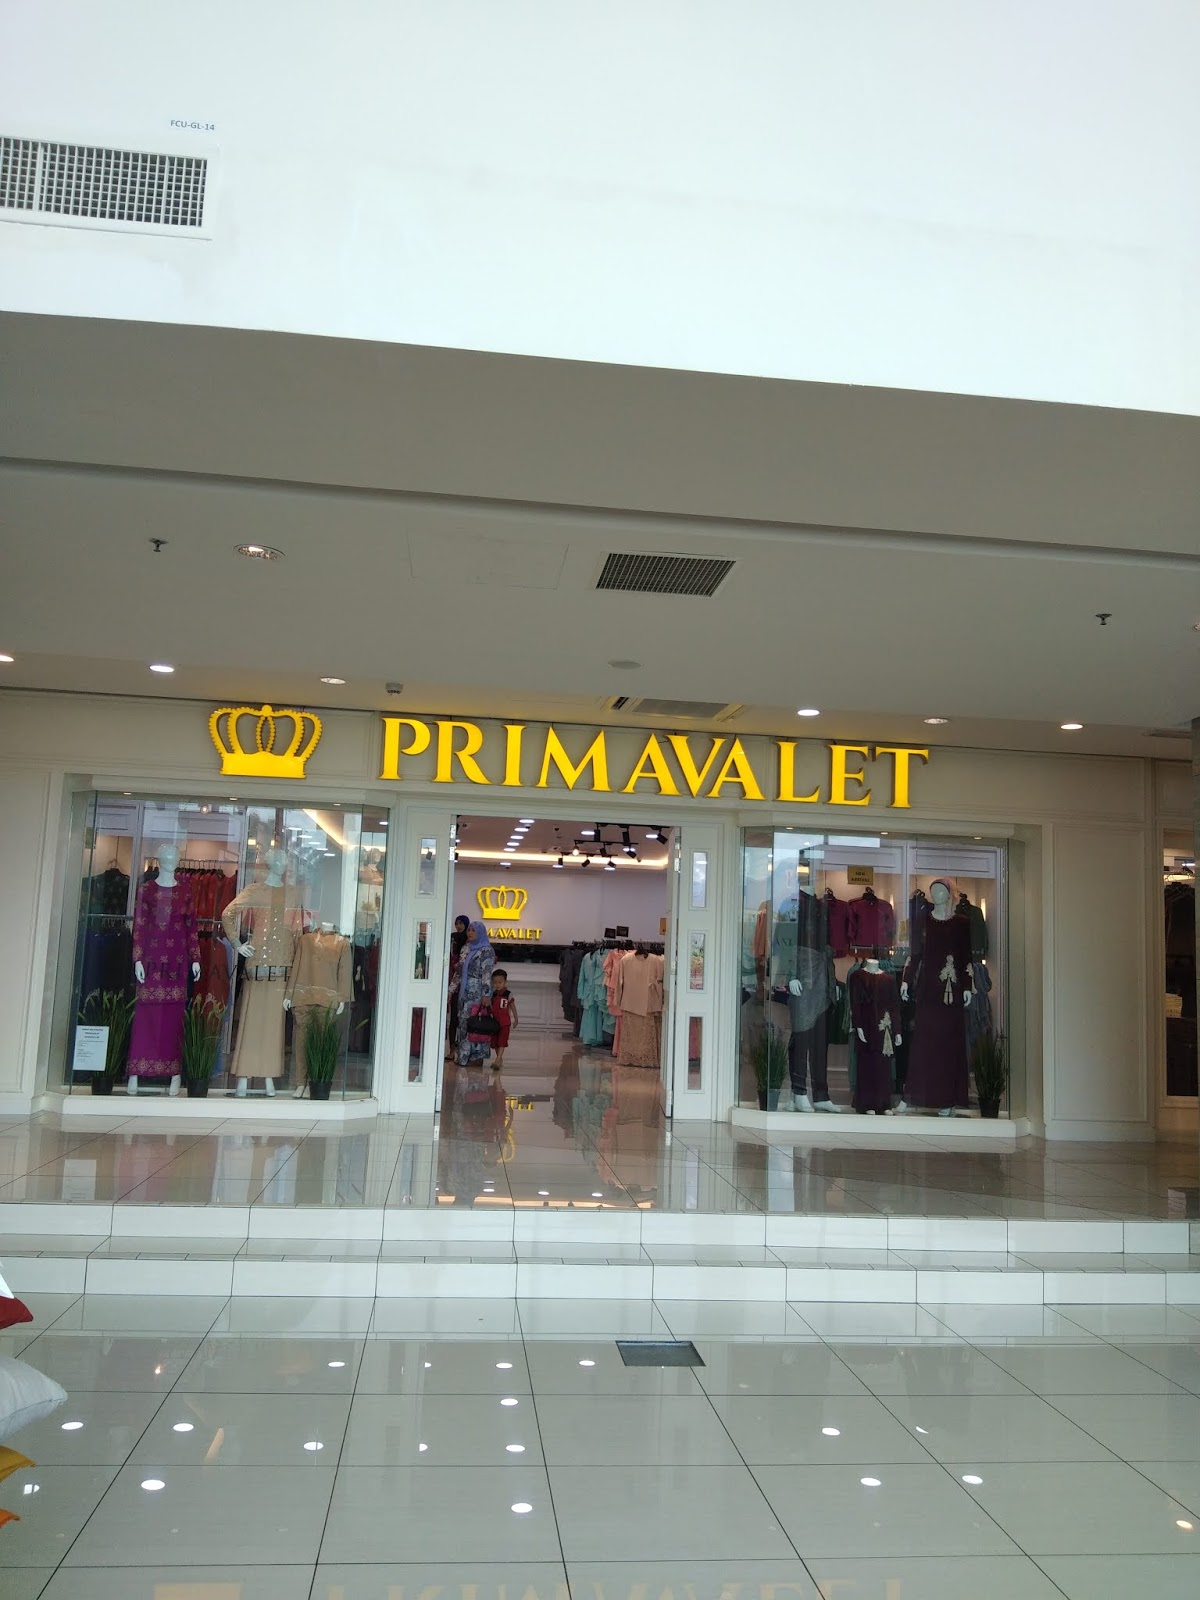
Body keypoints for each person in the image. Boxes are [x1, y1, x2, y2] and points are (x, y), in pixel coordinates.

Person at [449, 919, 495, 1067]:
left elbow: (486, 974)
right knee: (463, 1023)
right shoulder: (466, 949)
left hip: (477, 993)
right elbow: (459, 972)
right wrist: (451, 990)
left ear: (480, 932)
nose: (470, 932)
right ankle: (463, 1056)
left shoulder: (486, 950)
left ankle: (476, 1056)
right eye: (469, 930)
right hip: (464, 992)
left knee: (475, 1024)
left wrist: (486, 994)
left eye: (473, 930)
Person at [446, 914, 470, 1057]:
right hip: (454, 982)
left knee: (465, 1019)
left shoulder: (470, 943)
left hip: (467, 986)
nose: (458, 926)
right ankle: (451, 1050)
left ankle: (462, 1050)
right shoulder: (452, 937)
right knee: (454, 1018)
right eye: (457, 923)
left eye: (461, 923)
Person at [489, 968, 518, 1070]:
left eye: (500, 982)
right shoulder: (492, 994)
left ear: (505, 982)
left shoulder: (508, 994)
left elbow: (512, 1006)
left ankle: (498, 1059)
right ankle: (499, 1059)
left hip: (504, 1022)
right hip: (494, 1022)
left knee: (502, 1041)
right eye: (495, 983)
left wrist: (516, 1018)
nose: (497, 985)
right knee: (495, 1042)